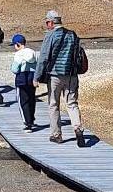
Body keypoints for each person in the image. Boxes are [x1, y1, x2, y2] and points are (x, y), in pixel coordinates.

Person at [34, 10, 85, 146]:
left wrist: (36, 77)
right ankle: (78, 128)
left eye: (46, 22)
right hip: (71, 75)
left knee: (53, 104)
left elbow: (44, 57)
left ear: (51, 22)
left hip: (55, 75)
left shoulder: (51, 35)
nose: (46, 25)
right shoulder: (72, 35)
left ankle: (56, 135)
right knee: (72, 103)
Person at [10, 34, 38, 131]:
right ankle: (31, 119)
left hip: (21, 79)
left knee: (23, 101)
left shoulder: (18, 54)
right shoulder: (32, 52)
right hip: (32, 78)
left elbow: (14, 69)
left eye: (14, 45)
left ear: (18, 44)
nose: (14, 47)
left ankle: (27, 123)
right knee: (31, 99)